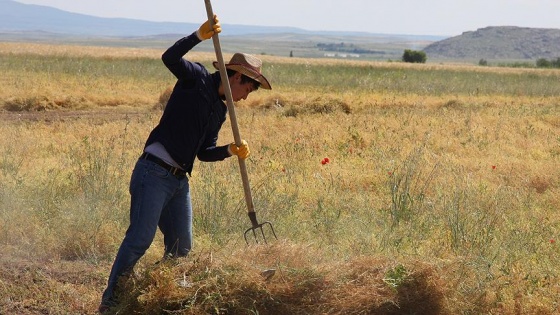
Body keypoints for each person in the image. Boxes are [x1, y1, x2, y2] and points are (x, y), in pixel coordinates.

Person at [98, 15, 271, 313]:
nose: (245, 97)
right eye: (248, 90)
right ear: (236, 78)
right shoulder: (196, 78)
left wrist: (229, 150)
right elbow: (169, 57)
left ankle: (150, 295)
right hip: (153, 171)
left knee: (181, 250)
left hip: (179, 182)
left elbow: (204, 152)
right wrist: (197, 36)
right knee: (139, 239)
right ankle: (110, 302)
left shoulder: (220, 111)